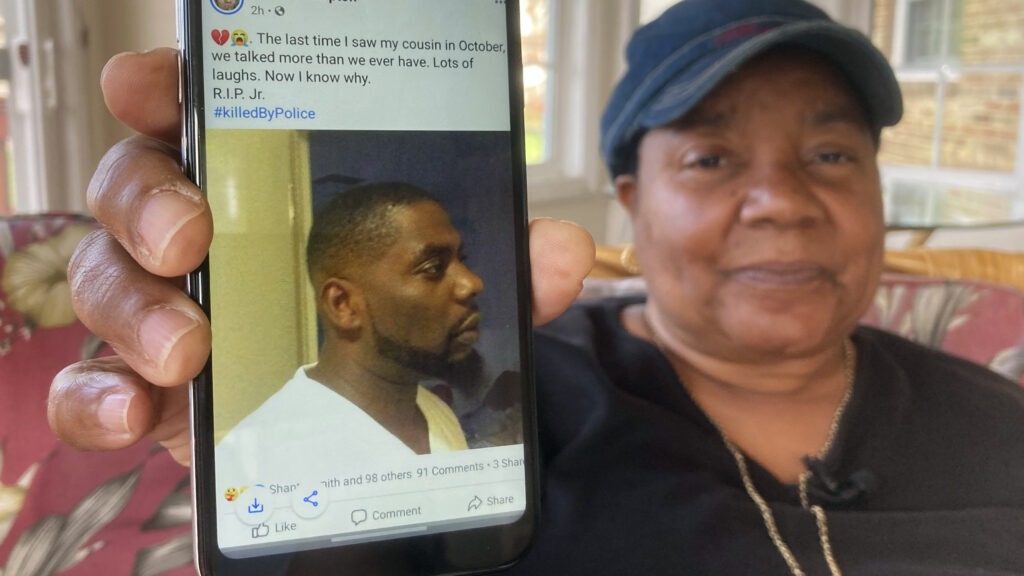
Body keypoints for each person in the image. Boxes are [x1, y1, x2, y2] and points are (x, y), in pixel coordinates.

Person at [48, 0, 1024, 574]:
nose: (780, 201)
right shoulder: (505, 400)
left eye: (827, 152)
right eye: (713, 159)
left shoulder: (1001, 426)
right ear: (630, 202)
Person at [218, 181, 484, 495]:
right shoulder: (255, 464)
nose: (471, 283)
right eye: (432, 268)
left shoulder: (434, 412)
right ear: (342, 305)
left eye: (462, 260)